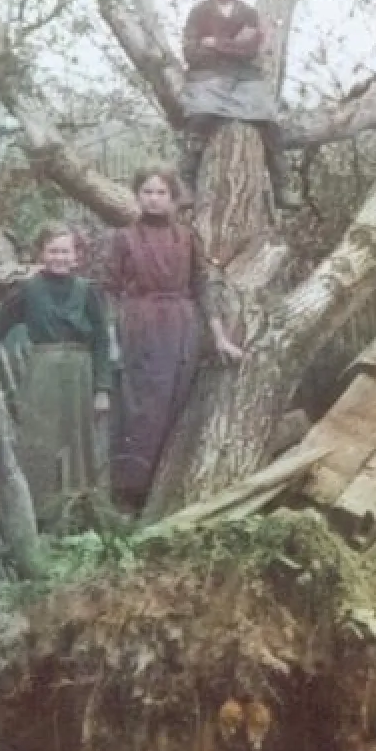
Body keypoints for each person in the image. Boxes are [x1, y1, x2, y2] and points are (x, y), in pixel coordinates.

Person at [105, 167, 243, 513]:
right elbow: (107, 291)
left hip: (181, 328)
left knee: (175, 403)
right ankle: (130, 495)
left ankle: (168, 491)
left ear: (173, 197)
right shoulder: (124, 238)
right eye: (147, 191)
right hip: (139, 326)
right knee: (139, 408)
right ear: (137, 195)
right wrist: (112, 340)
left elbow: (201, 287)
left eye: (161, 192)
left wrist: (220, 338)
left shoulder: (187, 237)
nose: (154, 198)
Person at [0, 224, 111, 525]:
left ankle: (80, 516)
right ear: (41, 253)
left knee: (79, 442)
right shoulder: (28, 291)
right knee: (41, 441)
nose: (59, 258)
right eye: (53, 251)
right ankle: (42, 516)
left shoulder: (88, 291)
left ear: (76, 256)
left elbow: (103, 341)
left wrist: (102, 388)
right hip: (44, 369)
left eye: (65, 251)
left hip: (80, 372)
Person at [179, 0, 292, 210]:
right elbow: (191, 52)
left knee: (267, 119)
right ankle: (186, 181)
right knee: (200, 116)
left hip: (243, 78)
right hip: (207, 76)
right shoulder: (199, 12)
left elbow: (250, 50)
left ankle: (282, 183)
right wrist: (230, 47)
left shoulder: (248, 14)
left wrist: (216, 44)